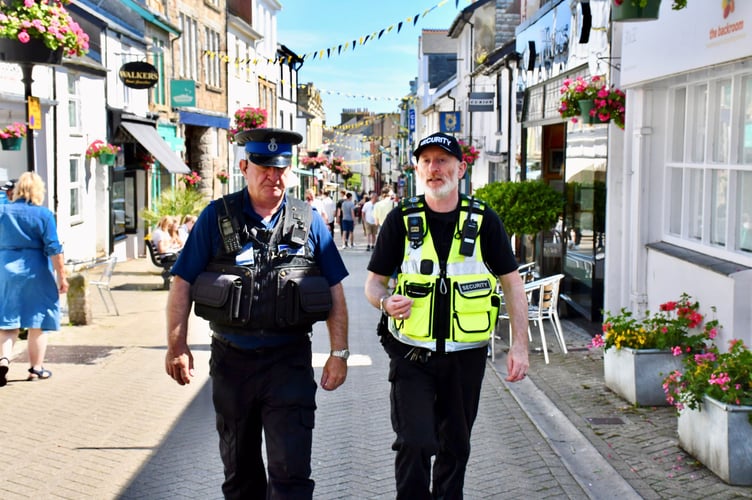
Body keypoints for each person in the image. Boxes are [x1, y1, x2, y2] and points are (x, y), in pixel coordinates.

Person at [165, 127, 349, 499]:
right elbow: (182, 282)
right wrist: (177, 345)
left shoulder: (309, 220)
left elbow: (335, 289)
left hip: (290, 360)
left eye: (280, 168)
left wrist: (339, 353)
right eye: (263, 166)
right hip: (232, 363)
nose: (272, 175)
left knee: (291, 472)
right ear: (244, 166)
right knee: (240, 472)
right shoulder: (217, 217)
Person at [363, 132, 530, 499]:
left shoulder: (484, 219)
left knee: (456, 447)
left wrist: (520, 345)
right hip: (411, 353)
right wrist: (385, 302)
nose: (434, 168)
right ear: (417, 168)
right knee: (415, 442)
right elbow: (373, 285)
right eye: (426, 161)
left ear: (461, 168)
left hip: (465, 357)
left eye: (442, 160)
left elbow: (513, 284)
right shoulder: (401, 220)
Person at [0, 172, 69, 386]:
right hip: (36, 271)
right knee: (37, 322)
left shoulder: (2, 211)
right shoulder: (44, 215)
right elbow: (54, 248)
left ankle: (3, 360)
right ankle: (36, 369)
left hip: (6, 270)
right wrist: (62, 276)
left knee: (7, 323)